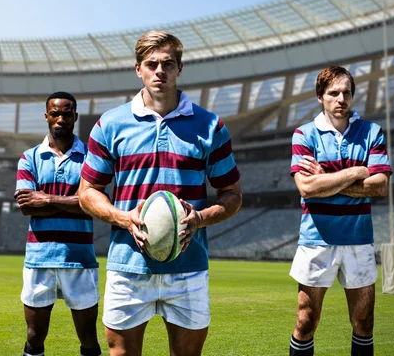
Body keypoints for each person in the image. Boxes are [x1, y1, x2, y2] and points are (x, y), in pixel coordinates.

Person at [78, 30, 243, 356]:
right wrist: (124, 218)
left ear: (179, 68)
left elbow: (232, 194)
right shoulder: (110, 125)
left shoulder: (210, 126)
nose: (160, 71)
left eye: (168, 63)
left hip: (189, 267)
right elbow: (87, 192)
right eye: (151, 64)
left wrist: (198, 219)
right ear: (138, 69)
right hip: (128, 268)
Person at [289, 66, 392, 356]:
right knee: (306, 321)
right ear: (320, 97)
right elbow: (307, 188)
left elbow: (380, 185)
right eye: (333, 93)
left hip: (358, 238)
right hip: (316, 239)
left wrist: (329, 179)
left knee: (364, 322)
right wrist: (357, 171)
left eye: (346, 92)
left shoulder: (371, 132)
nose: (341, 98)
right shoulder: (304, 134)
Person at [15, 92, 102, 356]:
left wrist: (47, 198)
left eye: (67, 113)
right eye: (55, 113)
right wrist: (74, 201)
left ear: (75, 116)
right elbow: (26, 205)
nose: (60, 119)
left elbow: (92, 205)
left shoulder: (91, 157)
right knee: (34, 336)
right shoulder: (29, 157)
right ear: (47, 116)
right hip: (39, 259)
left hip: (79, 259)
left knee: (88, 338)